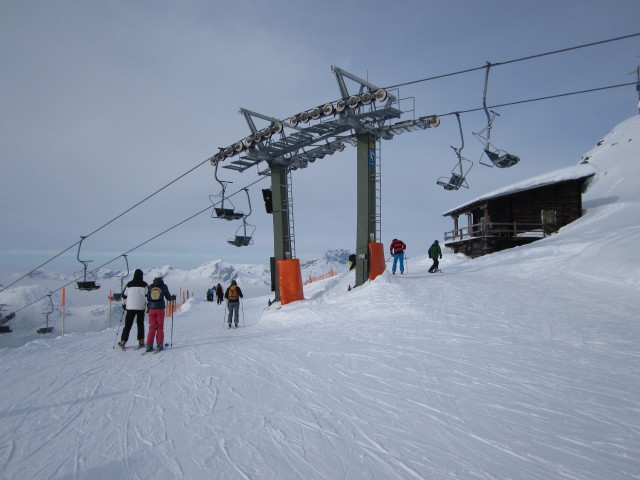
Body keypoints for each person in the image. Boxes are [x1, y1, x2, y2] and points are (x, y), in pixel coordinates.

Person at [118, 269, 148, 350]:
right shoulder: (144, 285)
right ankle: (141, 341)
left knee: (128, 325)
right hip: (141, 307)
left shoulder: (129, 284)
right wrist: (147, 306)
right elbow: (147, 296)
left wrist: (124, 305)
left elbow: (123, 296)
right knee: (140, 324)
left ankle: (123, 341)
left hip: (130, 307)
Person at [145, 274, 175, 352]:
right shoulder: (164, 286)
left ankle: (149, 345)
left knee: (152, 327)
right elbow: (168, 297)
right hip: (160, 309)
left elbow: (148, 298)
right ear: (162, 278)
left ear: (154, 278)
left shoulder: (150, 286)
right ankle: (159, 344)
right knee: (160, 326)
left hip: (151, 309)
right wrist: (173, 298)